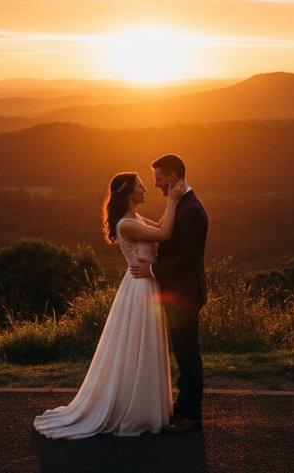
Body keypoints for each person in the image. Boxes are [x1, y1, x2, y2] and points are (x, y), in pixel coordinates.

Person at [33, 172, 187, 439]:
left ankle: (146, 405)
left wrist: (172, 197)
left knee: (143, 345)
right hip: (140, 288)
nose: (145, 189)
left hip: (145, 283)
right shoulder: (126, 224)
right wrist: (173, 199)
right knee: (139, 344)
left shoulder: (135, 219)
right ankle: (134, 409)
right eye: (140, 186)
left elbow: (159, 226)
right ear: (129, 193)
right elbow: (166, 233)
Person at [130, 154, 208, 434]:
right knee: (182, 352)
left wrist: (153, 269)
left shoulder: (191, 211)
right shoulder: (180, 205)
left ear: (172, 177)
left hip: (184, 294)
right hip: (177, 292)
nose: (156, 185)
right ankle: (183, 404)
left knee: (188, 355)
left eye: (159, 179)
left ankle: (192, 415)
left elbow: (189, 257)